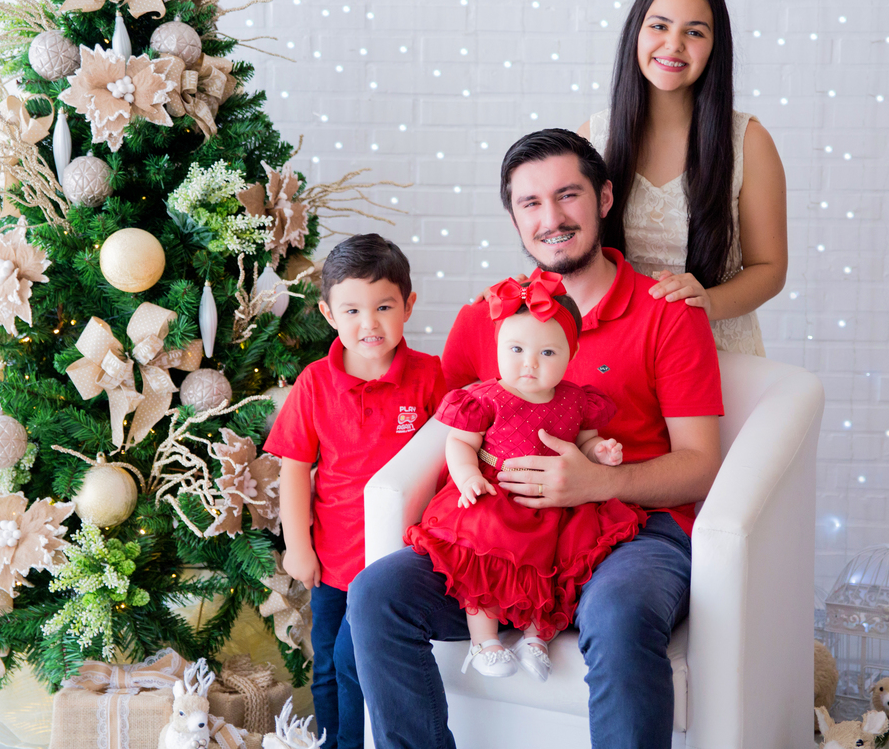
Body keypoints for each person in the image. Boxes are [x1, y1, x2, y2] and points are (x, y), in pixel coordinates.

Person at [348, 128, 724, 749]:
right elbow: (451, 425)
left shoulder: (667, 311)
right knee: (376, 596)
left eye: (568, 195)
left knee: (620, 612)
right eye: (530, 203)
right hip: (505, 536)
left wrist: (599, 482)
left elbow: (702, 464)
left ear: (605, 199)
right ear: (515, 217)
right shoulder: (486, 318)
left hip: (633, 533)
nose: (551, 218)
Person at [404, 271, 646, 681]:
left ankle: (536, 637)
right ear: (498, 345)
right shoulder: (487, 398)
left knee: (550, 564)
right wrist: (467, 476)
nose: (529, 363)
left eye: (547, 353)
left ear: (571, 353)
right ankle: (485, 641)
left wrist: (600, 453)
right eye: (516, 349)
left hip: (554, 501)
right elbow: (460, 442)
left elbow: (585, 442)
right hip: (497, 492)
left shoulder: (576, 400)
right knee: (483, 558)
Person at [263, 233, 447, 749]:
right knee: (329, 665)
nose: (370, 324)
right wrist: (298, 547)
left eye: (384, 307)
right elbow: (295, 468)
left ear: (408, 305)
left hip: (400, 561)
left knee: (357, 659)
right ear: (328, 314)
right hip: (334, 561)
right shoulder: (314, 383)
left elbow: (452, 456)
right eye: (352, 311)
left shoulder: (430, 376)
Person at [579, 0, 788, 356]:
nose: (673, 44)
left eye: (694, 32)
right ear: (636, 33)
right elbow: (568, 246)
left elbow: (770, 269)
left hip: (717, 351)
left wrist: (708, 302)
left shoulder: (748, 142)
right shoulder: (594, 137)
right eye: (659, 26)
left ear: (714, 47)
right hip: (622, 352)